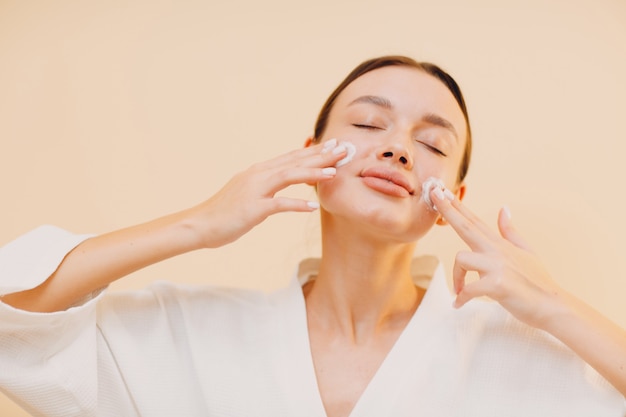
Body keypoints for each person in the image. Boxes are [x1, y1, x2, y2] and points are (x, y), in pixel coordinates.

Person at [0, 56, 624, 417]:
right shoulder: (187, 333)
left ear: (450, 204)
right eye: (369, 122)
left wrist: (554, 307)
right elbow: (14, 320)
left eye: (432, 143)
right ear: (314, 157)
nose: (398, 149)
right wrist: (200, 223)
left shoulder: (518, 359)